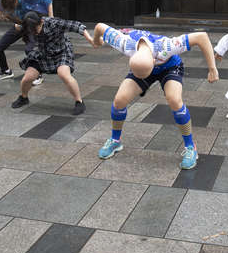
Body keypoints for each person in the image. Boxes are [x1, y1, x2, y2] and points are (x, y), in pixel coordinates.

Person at [92, 23, 219, 170]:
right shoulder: (124, 43)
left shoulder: (167, 46)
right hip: (143, 66)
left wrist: (212, 68)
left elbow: (201, 37)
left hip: (169, 67)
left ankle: (191, 147)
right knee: (119, 100)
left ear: (153, 62)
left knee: (174, 100)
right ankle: (115, 140)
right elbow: (99, 27)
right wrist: (96, 41)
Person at [12, 11, 94, 112]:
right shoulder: (28, 26)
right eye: (31, 30)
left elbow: (76, 26)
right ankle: (23, 98)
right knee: (27, 78)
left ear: (41, 22)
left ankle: (79, 102)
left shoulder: (54, 23)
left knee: (63, 74)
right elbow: (18, 26)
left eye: (35, 29)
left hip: (61, 52)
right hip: (43, 53)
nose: (34, 32)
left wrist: (90, 39)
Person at [0, 0, 53, 85]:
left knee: (29, 50)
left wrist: (51, 21)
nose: (10, 10)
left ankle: (38, 75)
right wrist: (0, 13)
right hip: (18, 25)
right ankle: (6, 71)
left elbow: (48, 1)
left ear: (16, 1)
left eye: (11, 8)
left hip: (31, 25)